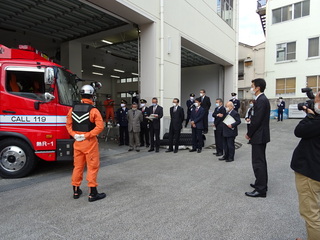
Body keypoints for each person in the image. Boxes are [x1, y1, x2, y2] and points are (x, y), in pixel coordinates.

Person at [65, 85, 106, 202]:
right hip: (89, 143)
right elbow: (100, 127)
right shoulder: (93, 110)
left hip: (77, 143)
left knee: (77, 167)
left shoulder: (72, 109)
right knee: (92, 167)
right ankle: (93, 194)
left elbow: (68, 125)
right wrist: (86, 135)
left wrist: (74, 134)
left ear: (81, 95)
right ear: (93, 96)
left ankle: (76, 191)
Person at [291, 92, 320, 240]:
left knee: (311, 213)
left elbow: (299, 131)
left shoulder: (316, 120)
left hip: (310, 172)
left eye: (316, 99)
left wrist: (310, 115)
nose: (314, 102)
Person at [245, 78, 270, 198]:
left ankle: (261, 189)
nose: (251, 88)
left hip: (259, 135)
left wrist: (249, 133)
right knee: (259, 161)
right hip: (260, 135)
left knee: (258, 162)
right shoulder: (260, 99)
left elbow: (257, 120)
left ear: (257, 87)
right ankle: (259, 183)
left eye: (252, 86)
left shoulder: (261, 100)